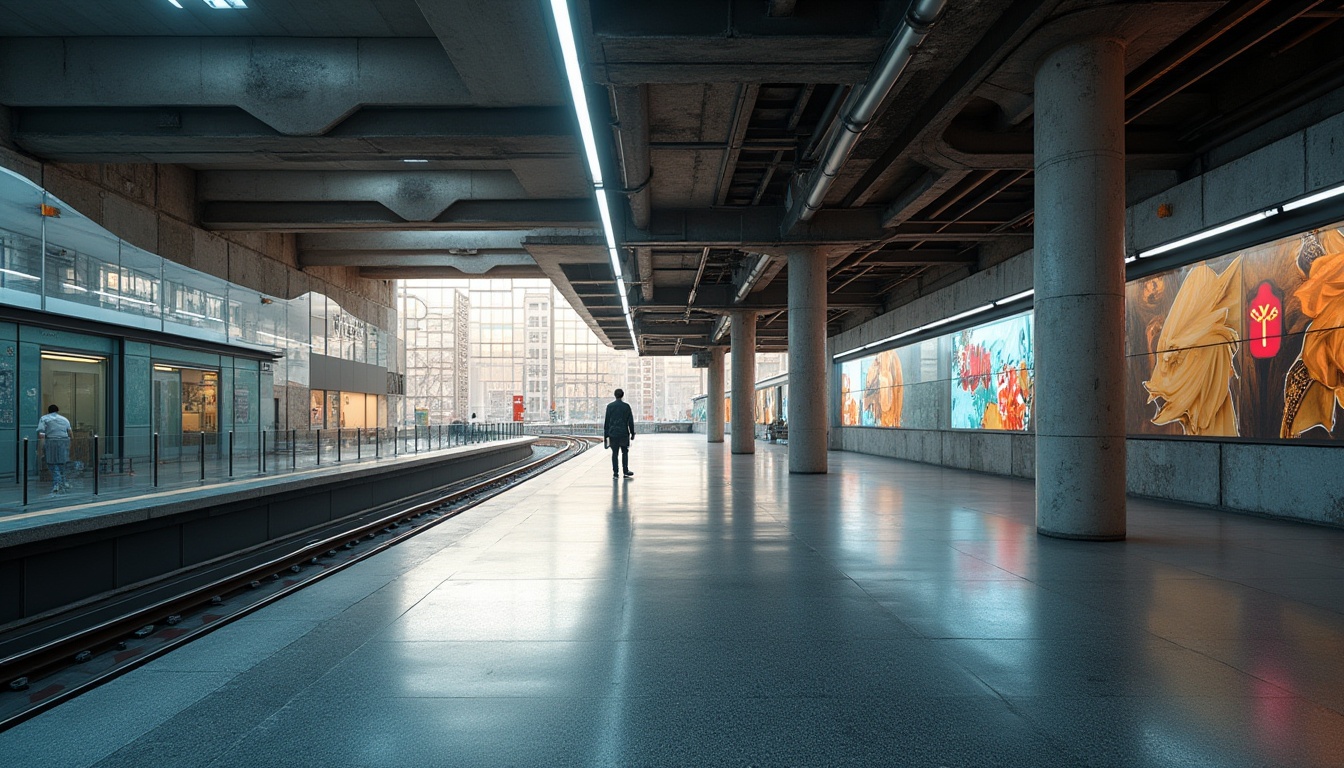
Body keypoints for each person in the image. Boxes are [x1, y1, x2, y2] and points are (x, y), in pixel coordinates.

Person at [37, 404, 73, 495]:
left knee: (52, 463)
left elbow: (41, 435)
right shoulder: (65, 419)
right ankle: (64, 481)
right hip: (63, 442)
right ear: (58, 410)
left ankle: (57, 483)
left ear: (48, 410)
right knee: (62, 462)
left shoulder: (44, 418)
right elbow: (70, 434)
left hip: (51, 442)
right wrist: (69, 445)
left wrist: (40, 449)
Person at [603, 388, 635, 479]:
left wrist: (606, 436)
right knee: (625, 452)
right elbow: (630, 421)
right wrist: (632, 433)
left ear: (615, 395)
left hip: (613, 433)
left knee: (614, 453)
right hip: (624, 433)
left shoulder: (610, 406)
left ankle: (615, 473)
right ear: (622, 395)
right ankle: (625, 471)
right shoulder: (626, 406)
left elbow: (607, 422)